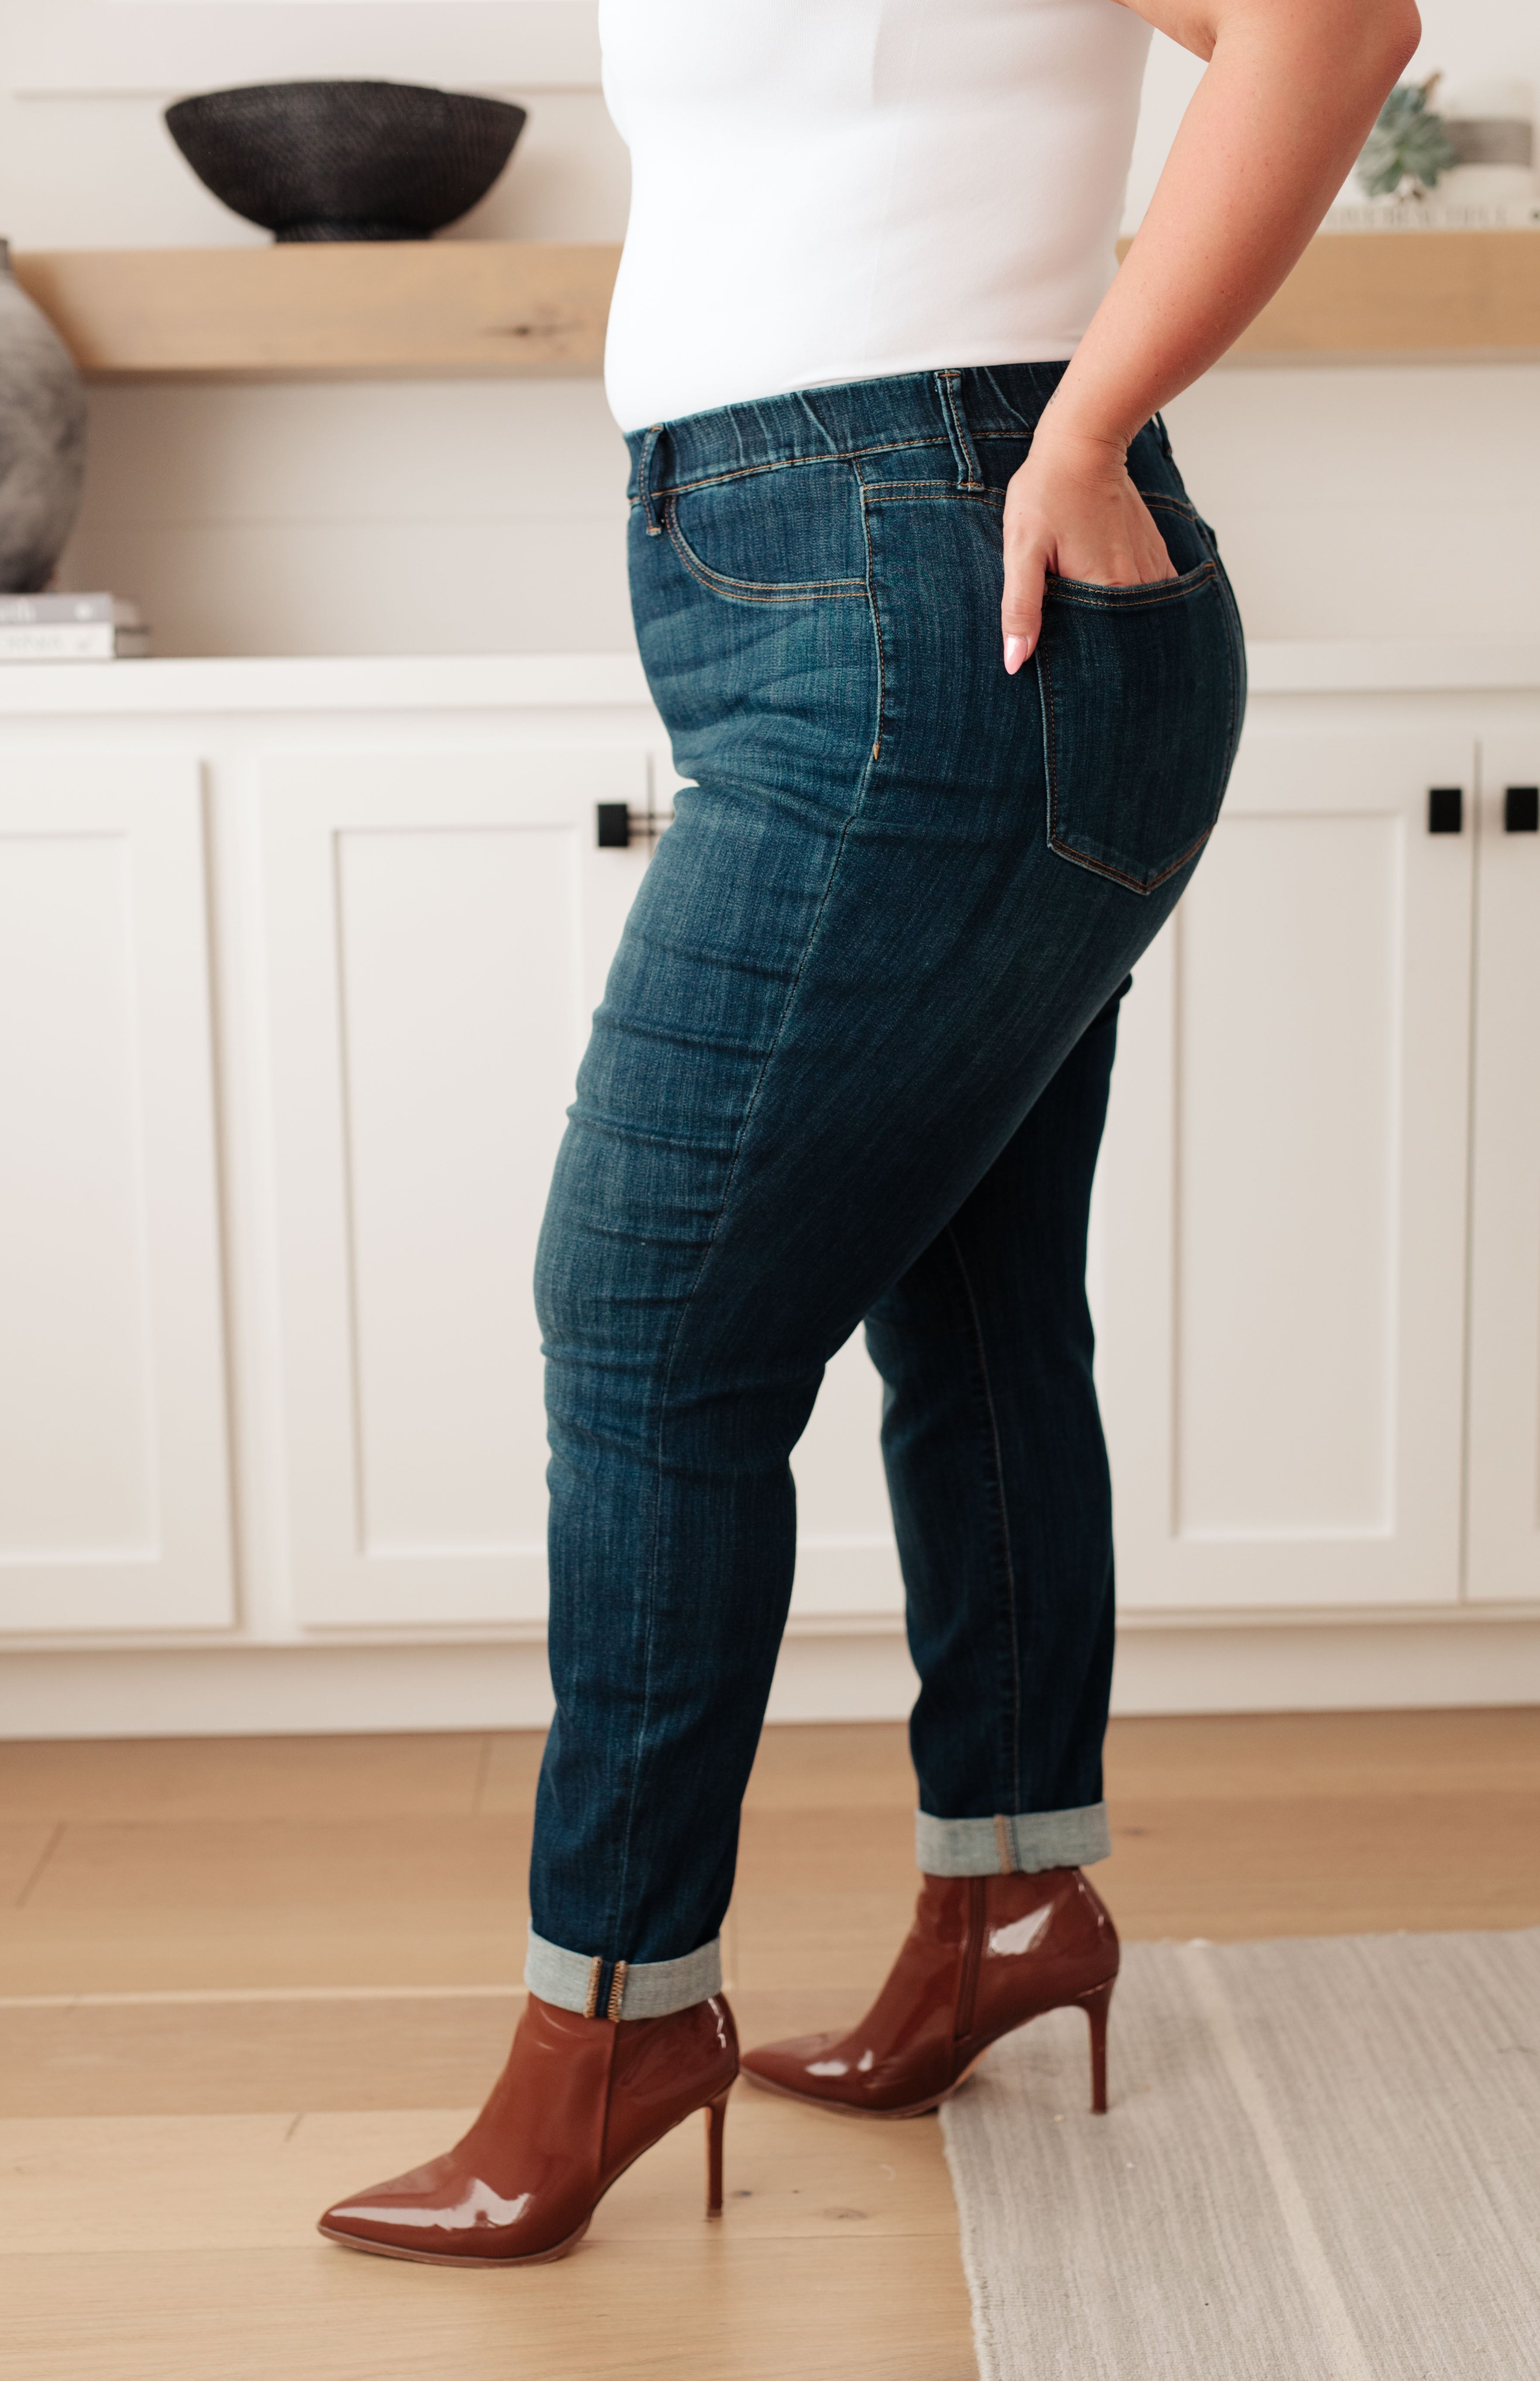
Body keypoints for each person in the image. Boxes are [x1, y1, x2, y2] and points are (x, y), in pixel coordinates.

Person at [320, 0, 1418, 2266]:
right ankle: (1010, 1894)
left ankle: (613, 2019)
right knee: (972, 1285)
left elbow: (1332, 22)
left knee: (649, 1323)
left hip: (930, 586)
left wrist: (1089, 420)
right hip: (860, 588)